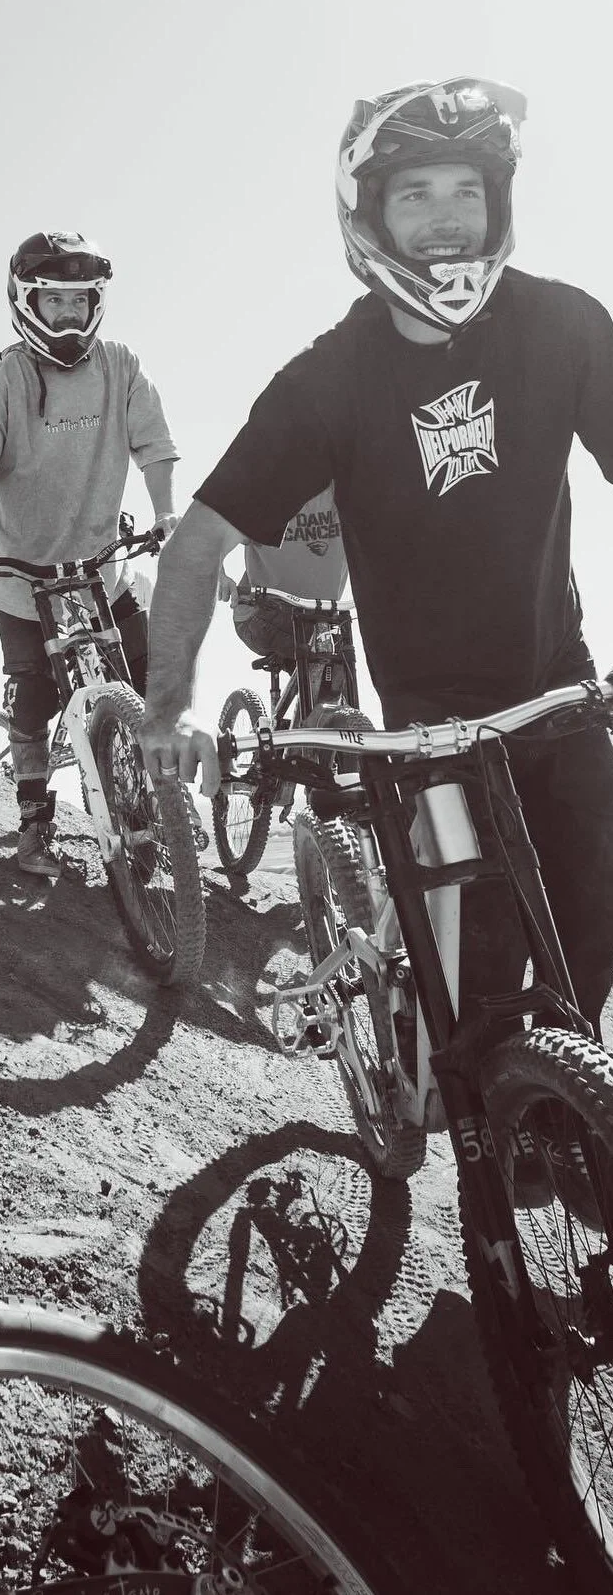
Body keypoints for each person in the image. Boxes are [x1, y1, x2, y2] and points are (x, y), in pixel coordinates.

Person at [142, 76, 613, 1039]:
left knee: (595, 937)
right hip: (430, 726)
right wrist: (166, 711)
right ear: (368, 215)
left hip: (560, 688)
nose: (447, 218)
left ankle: (559, 1104)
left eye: (467, 190)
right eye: (415, 193)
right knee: (480, 986)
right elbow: (195, 549)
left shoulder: (567, 327)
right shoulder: (328, 381)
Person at [0, 229, 179, 877]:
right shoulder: (2, 384)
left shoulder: (121, 366)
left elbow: (154, 447)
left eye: (79, 300)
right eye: (55, 301)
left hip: (103, 569)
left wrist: (165, 512)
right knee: (32, 704)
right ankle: (36, 824)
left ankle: (163, 811)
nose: (69, 313)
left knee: (149, 677)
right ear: (27, 302)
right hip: (24, 580)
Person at [218, 485, 349, 681]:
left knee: (338, 675)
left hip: (321, 617)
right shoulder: (267, 491)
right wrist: (221, 577)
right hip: (262, 613)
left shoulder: (346, 491)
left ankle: (324, 698)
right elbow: (214, 539)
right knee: (324, 659)